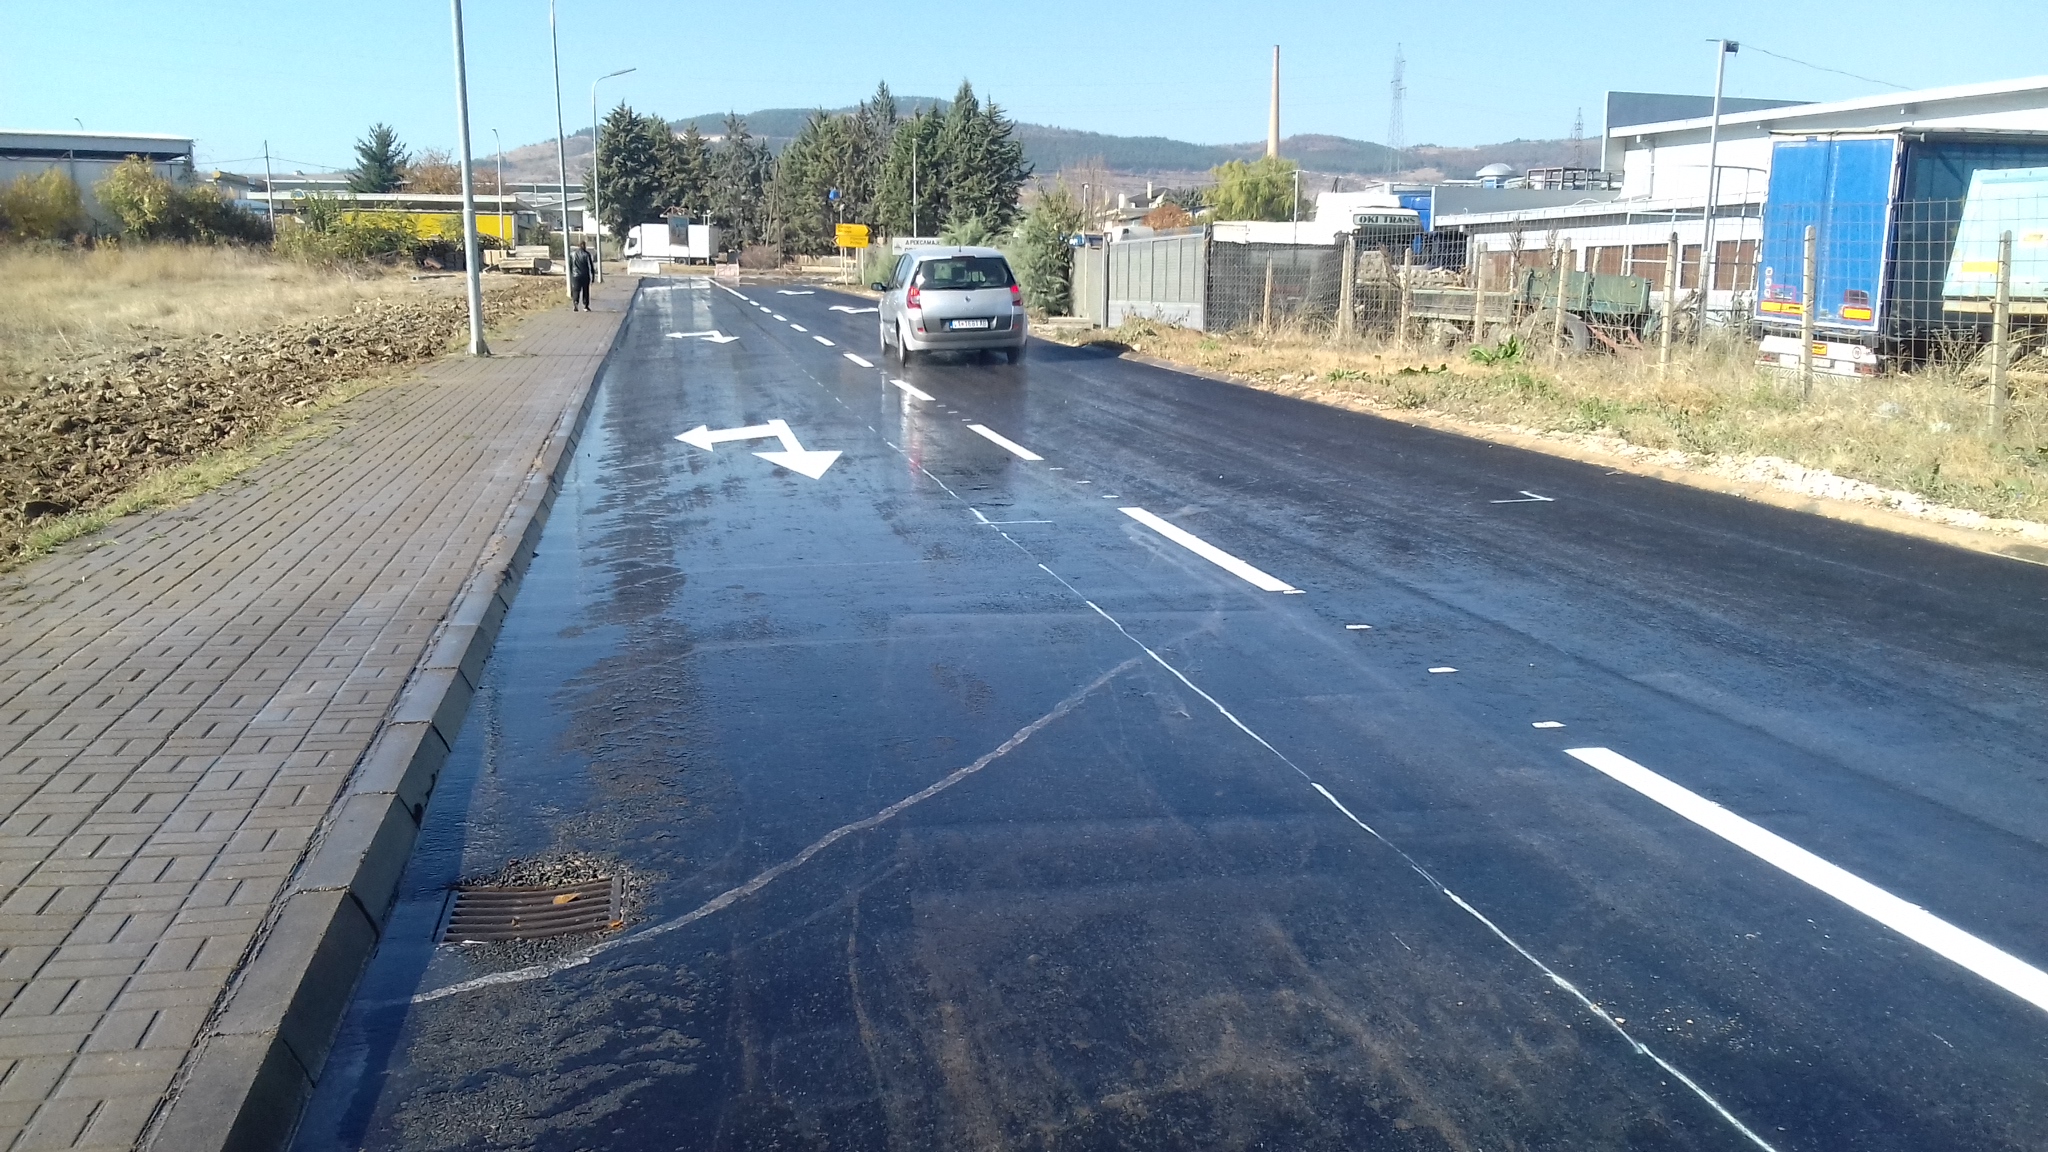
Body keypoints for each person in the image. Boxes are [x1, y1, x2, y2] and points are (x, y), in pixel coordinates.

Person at [568, 240, 594, 311]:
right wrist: (593, 276)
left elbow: (570, 265)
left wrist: (571, 274)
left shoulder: (572, 254)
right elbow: (590, 266)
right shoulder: (587, 254)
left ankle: (575, 303)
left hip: (575, 275)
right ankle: (585, 306)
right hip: (585, 275)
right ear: (584, 246)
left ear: (578, 246)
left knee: (576, 290)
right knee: (585, 290)